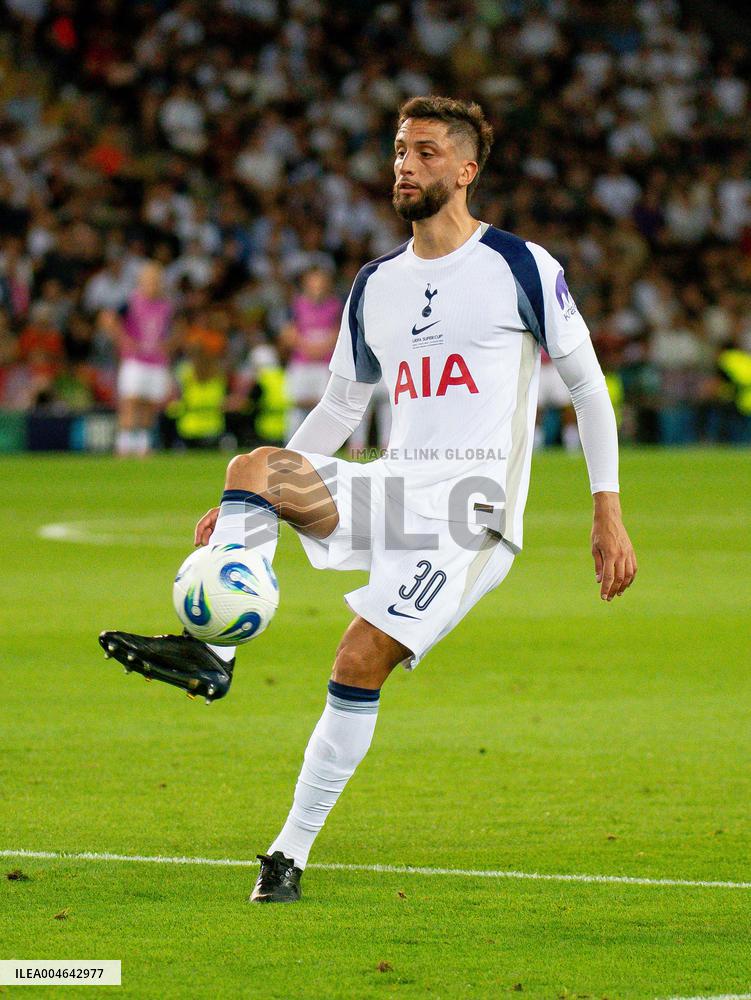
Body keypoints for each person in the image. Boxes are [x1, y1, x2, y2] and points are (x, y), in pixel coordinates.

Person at [100, 96, 637, 903]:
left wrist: (606, 508)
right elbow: (342, 407)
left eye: (424, 152)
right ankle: (215, 654)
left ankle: (287, 854)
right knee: (253, 465)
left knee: (357, 658)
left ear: (466, 169)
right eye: (397, 151)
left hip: (470, 514)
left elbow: (588, 389)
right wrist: (250, 503)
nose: (404, 166)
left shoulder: (520, 265)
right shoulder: (375, 283)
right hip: (394, 484)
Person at [101, 261, 174, 456]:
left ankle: (143, 444)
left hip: (156, 361)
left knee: (149, 403)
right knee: (130, 401)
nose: (153, 284)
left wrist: (168, 346)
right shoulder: (131, 301)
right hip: (135, 360)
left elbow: (174, 330)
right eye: (149, 280)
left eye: (156, 281)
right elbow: (107, 318)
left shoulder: (166, 305)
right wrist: (123, 340)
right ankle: (124, 444)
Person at [279, 266, 342, 440]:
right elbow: (287, 333)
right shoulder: (295, 305)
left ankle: (321, 447)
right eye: (313, 281)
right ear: (306, 283)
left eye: (321, 281)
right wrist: (308, 347)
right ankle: (291, 446)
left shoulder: (336, 305)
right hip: (301, 364)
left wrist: (321, 349)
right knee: (295, 406)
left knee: (324, 408)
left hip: (325, 365)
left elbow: (339, 332)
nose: (317, 285)